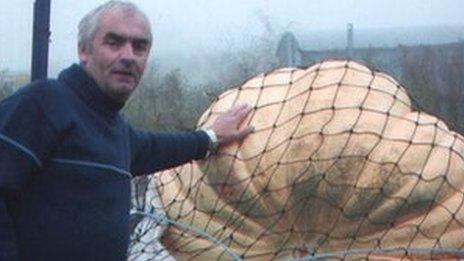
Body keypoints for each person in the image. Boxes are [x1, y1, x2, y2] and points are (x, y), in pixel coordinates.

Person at [0, 1, 253, 260]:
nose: (129, 55)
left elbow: (157, 147)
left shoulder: (116, 132)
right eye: (114, 42)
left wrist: (210, 137)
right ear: (84, 50)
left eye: (139, 46)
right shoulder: (41, 103)